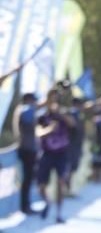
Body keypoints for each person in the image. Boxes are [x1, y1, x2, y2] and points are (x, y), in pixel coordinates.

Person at [35, 88, 77, 222]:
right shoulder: (42, 115)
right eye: (51, 99)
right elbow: (38, 133)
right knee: (41, 186)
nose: (53, 102)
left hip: (62, 153)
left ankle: (58, 214)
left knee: (61, 182)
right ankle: (47, 202)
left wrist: (61, 114)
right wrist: (49, 129)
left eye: (56, 99)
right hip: (47, 153)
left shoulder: (64, 114)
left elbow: (73, 124)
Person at [14, 92, 39, 215]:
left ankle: (26, 205)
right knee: (27, 180)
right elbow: (29, 119)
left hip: (28, 149)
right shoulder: (25, 110)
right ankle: (25, 207)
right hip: (27, 149)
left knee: (28, 180)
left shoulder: (24, 110)